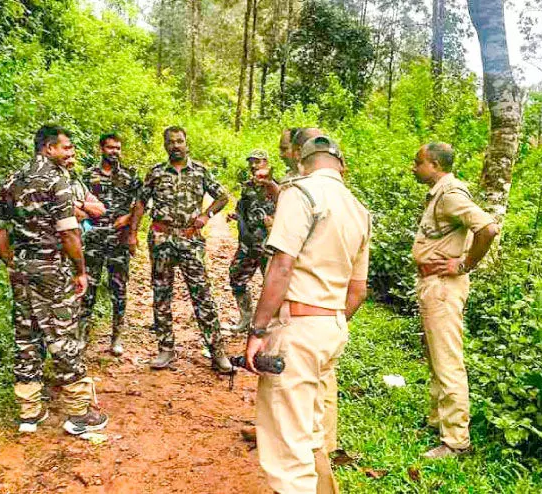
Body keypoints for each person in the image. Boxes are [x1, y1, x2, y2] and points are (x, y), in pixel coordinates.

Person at [245, 135, 371, 493]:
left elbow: (282, 265)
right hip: (331, 325)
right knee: (312, 431)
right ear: (341, 166)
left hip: (298, 327)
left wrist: (258, 330)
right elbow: (358, 289)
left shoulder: (300, 193)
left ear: (302, 163)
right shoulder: (358, 209)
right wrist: (328, 320)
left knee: (288, 447)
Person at [0, 125, 108, 435]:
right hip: (52, 269)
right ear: (48, 148)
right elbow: (68, 232)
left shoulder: (12, 180)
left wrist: (9, 259)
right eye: (66, 148)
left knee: (26, 335)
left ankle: (30, 412)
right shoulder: (57, 182)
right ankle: (80, 413)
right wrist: (80, 269)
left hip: (23, 269)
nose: (71, 153)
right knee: (62, 333)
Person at [411, 142, 499, 459]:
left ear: (434, 164)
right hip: (432, 283)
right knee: (436, 356)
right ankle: (438, 421)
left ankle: (456, 441)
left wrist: (465, 264)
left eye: (418, 162)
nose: (413, 167)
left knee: (447, 361)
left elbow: (488, 228)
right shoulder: (439, 193)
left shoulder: (450, 195)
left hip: (444, 286)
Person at [128, 126, 233, 374]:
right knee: (162, 294)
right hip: (162, 238)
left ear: (187, 144)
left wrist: (206, 215)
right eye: (171, 142)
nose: (176, 145)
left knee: (202, 295)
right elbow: (141, 203)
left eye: (180, 141)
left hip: (189, 239)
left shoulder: (200, 171)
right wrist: (132, 233)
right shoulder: (155, 173)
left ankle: (217, 351)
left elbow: (223, 196)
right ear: (165, 145)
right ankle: (165, 348)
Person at [80, 133, 142, 356]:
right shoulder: (87, 175)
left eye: (118, 148)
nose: (114, 151)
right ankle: (83, 336)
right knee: (88, 288)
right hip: (93, 239)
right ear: (101, 149)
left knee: (118, 288)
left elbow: (142, 203)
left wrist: (127, 220)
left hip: (119, 240)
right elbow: (77, 203)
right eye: (110, 148)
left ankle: (116, 337)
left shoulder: (130, 175)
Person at [225, 149, 278, 333]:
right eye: (251, 162)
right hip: (248, 242)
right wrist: (236, 215)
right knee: (236, 277)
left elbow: (287, 209)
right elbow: (242, 206)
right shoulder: (247, 185)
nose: (254, 165)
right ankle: (245, 318)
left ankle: (271, 324)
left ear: (266, 162)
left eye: (258, 161)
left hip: (269, 244)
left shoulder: (276, 186)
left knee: (273, 283)